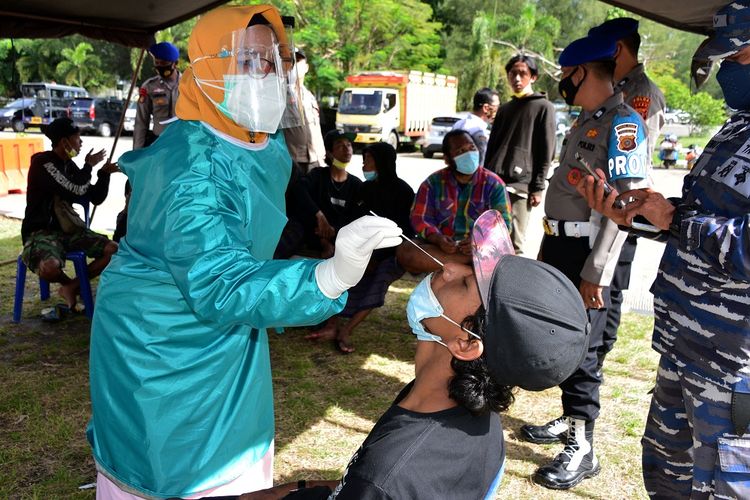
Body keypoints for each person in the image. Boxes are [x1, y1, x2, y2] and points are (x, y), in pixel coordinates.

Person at [86, 6, 402, 498]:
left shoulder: (259, 144)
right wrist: (328, 277)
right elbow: (220, 281)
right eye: (250, 60)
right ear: (210, 66)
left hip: (231, 326)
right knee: (179, 461)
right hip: (163, 340)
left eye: (276, 59)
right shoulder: (189, 169)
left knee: (236, 448)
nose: (270, 74)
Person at [237, 210, 590, 500]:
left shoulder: (388, 474)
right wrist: (295, 489)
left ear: (466, 344)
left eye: (465, 283)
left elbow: (375, 487)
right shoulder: (460, 411)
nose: (449, 268)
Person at [578, 3, 750, 497]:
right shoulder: (738, 127)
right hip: (685, 345)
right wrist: (637, 214)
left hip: (732, 365)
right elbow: (704, 214)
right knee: (667, 480)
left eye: (738, 59)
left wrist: (676, 219)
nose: (726, 72)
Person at [519, 36, 651, 490]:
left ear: (580, 73)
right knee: (563, 342)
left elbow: (624, 206)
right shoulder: (587, 122)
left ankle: (584, 448)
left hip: (588, 253)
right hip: (561, 246)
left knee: (584, 350)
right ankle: (569, 420)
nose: (563, 84)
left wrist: (597, 271)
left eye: (565, 76)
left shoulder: (623, 124)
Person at [587, 17, 666, 382]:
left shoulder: (641, 93)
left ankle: (592, 373)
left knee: (608, 288)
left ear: (616, 49)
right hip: (599, 208)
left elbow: (633, 170)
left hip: (624, 213)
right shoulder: (613, 86)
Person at [307, 142, 414, 353]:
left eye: (369, 160)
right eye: (363, 159)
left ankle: (346, 330)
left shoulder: (403, 192)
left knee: (380, 278)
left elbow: (403, 232)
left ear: (383, 162)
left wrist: (377, 255)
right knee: (342, 270)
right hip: (362, 250)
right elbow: (350, 220)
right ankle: (331, 324)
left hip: (390, 253)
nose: (364, 164)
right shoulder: (364, 189)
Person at [20, 117, 118, 311]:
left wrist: (104, 174)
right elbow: (74, 188)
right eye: (77, 137)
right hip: (41, 232)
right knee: (49, 267)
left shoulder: (71, 167)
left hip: (69, 232)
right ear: (65, 142)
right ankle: (70, 286)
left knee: (113, 250)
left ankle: (72, 287)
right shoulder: (43, 163)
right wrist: (89, 166)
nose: (80, 142)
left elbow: (95, 197)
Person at [397, 129, 512, 275]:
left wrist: (477, 242)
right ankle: (469, 266)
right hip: (440, 249)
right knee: (405, 251)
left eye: (472, 148)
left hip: (480, 249)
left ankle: (455, 264)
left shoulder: (494, 184)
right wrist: (437, 239)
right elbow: (419, 218)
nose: (469, 154)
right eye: (461, 151)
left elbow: (504, 225)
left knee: (495, 253)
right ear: (447, 158)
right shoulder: (432, 183)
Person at [485, 54, 556, 255]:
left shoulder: (544, 107)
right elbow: (492, 147)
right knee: (490, 240)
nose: (517, 78)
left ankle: (512, 286)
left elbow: (547, 151)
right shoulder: (505, 109)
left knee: (514, 244)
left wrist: (538, 187)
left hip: (520, 187)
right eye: (512, 73)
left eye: (522, 73)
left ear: (533, 77)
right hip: (494, 183)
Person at [300, 130, 363, 259]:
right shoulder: (317, 176)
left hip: (342, 238)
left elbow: (356, 219)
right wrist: (319, 215)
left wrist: (334, 231)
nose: (347, 149)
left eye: (349, 144)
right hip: (313, 234)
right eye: (340, 145)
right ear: (329, 153)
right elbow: (299, 190)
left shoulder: (356, 185)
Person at [283, 48, 327, 172]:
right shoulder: (280, 94)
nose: (294, 65)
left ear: (306, 67)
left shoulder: (310, 96)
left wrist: (322, 155)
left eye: (297, 61)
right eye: (290, 61)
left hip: (315, 159)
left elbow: (316, 127)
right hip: (293, 159)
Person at [133, 41, 181, 149]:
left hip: (181, 143)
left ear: (175, 63)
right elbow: (141, 122)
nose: (159, 67)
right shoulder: (149, 86)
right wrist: (137, 152)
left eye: (163, 64)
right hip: (158, 143)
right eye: (157, 63)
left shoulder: (188, 85)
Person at [452, 87, 499, 166]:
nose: (498, 110)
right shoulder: (479, 130)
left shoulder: (458, 124)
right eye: (497, 107)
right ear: (486, 108)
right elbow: (481, 161)